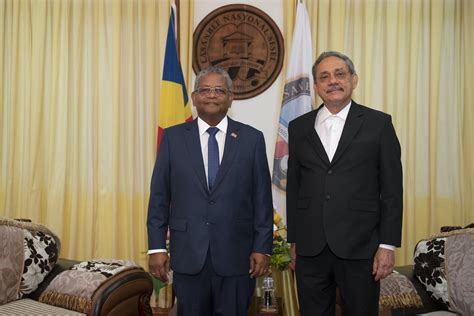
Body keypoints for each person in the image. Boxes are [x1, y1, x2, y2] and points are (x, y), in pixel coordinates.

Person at [147, 66, 273, 316]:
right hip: (188, 255)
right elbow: (159, 197)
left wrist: (262, 247)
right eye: (205, 90)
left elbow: (262, 199)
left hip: (237, 258)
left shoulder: (251, 138)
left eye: (219, 90)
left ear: (230, 97)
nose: (212, 95)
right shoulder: (173, 138)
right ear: (194, 98)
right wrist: (157, 248)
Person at [286, 51, 403, 316]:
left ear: (354, 79)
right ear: (316, 87)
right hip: (310, 249)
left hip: (360, 247)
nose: (333, 81)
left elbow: (392, 190)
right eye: (324, 77)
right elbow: (295, 187)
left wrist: (387, 246)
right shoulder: (298, 127)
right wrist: (294, 240)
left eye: (340, 74)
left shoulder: (379, 124)